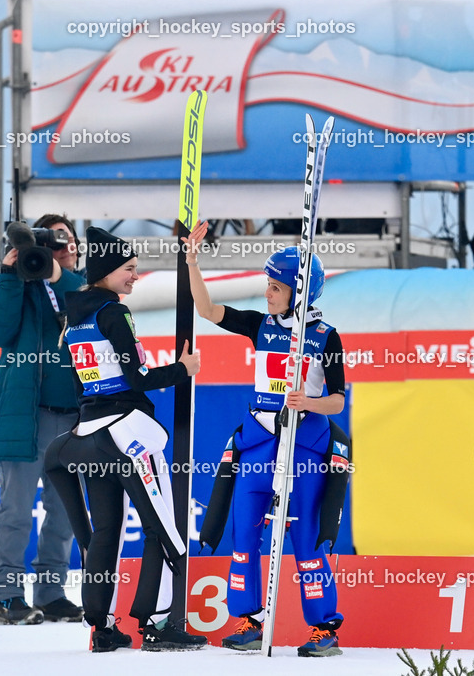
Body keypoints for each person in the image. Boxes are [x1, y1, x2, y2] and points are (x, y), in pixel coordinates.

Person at [186, 220, 351, 658]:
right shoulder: (259, 324)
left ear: (299, 291)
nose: (267, 292)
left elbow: (338, 401)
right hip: (260, 442)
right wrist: (191, 262)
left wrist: (308, 403)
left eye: (276, 286)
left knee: (307, 540)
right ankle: (247, 620)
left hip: (304, 447)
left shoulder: (325, 337)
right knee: (245, 534)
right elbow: (207, 311)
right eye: (268, 284)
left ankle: (323, 629)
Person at [43, 226, 207, 653]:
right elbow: (137, 378)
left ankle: (102, 628)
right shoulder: (114, 312)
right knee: (164, 529)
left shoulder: (74, 314)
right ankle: (155, 625)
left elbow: (86, 382)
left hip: (89, 435)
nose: (135, 277)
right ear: (107, 272)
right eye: (129, 270)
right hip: (127, 434)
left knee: (106, 534)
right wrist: (182, 369)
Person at [0, 213, 85, 625]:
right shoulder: (23, 285)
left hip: (74, 418)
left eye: (71, 240)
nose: (68, 247)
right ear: (37, 248)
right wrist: (10, 277)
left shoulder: (83, 286)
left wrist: (59, 272)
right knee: (16, 511)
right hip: (27, 418)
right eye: (56, 243)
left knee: (63, 514)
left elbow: (87, 298)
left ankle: (51, 592)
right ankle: (7, 597)